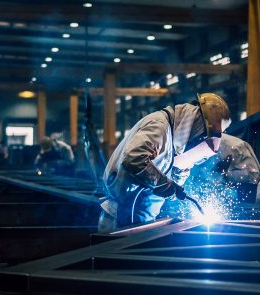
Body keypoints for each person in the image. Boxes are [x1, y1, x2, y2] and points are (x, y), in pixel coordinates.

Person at [98, 93, 231, 231]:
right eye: (203, 134)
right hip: (120, 220)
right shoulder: (159, 126)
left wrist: (180, 172)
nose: (198, 139)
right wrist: (166, 185)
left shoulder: (170, 139)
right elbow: (134, 158)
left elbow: (160, 172)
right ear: (198, 123)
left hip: (138, 221)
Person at [214, 134, 260, 204]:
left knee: (245, 210)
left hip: (251, 188)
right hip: (245, 181)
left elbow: (253, 174)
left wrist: (223, 178)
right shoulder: (221, 144)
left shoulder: (229, 147)